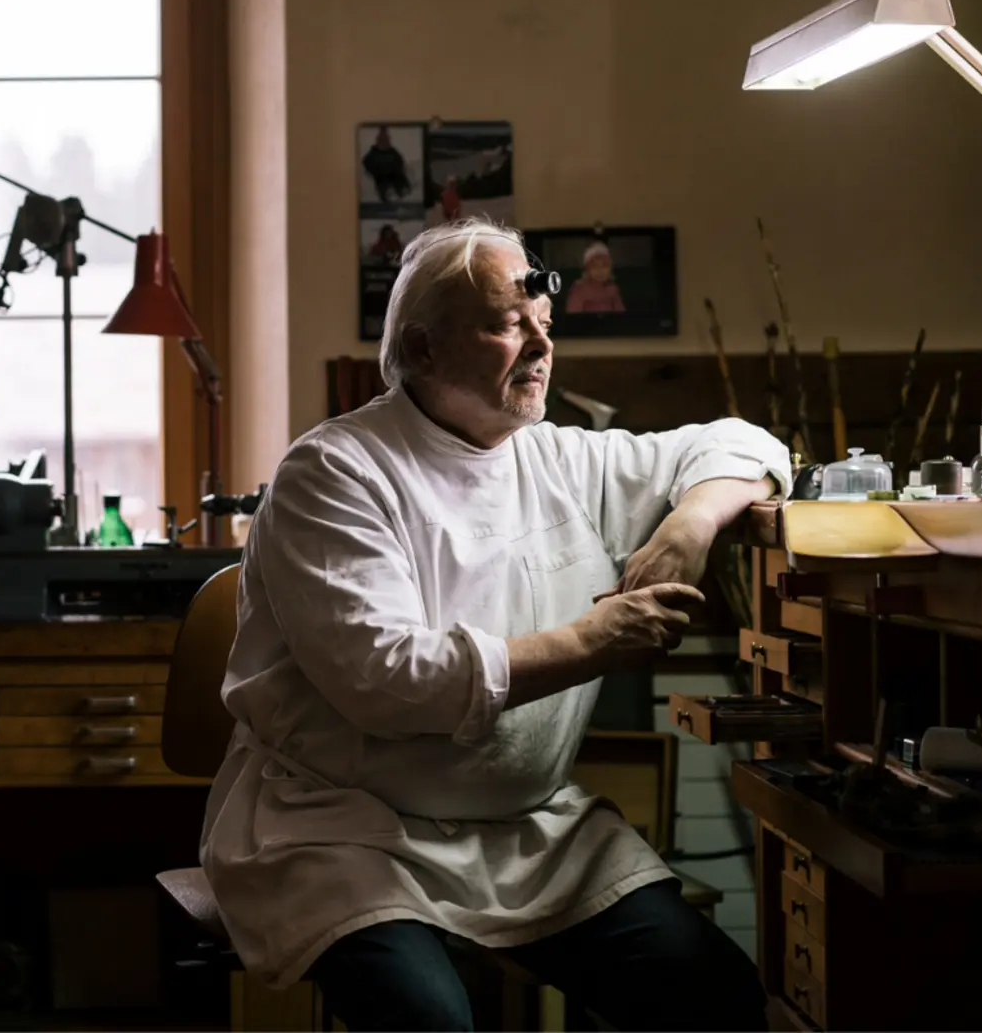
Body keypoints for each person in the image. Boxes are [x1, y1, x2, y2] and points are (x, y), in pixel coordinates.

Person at [199, 218, 785, 1031]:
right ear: (422, 347)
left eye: (543, 323)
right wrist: (592, 641)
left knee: (714, 994)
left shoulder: (556, 457)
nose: (541, 347)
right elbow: (388, 683)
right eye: (508, 324)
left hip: (523, 833)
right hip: (343, 829)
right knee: (429, 1021)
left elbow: (741, 443)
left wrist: (689, 524)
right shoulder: (334, 471)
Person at [565, 240, 628, 314]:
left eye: (604, 265)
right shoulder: (579, 289)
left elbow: (621, 315)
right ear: (587, 269)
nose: (600, 270)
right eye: (595, 266)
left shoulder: (613, 289)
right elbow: (572, 316)